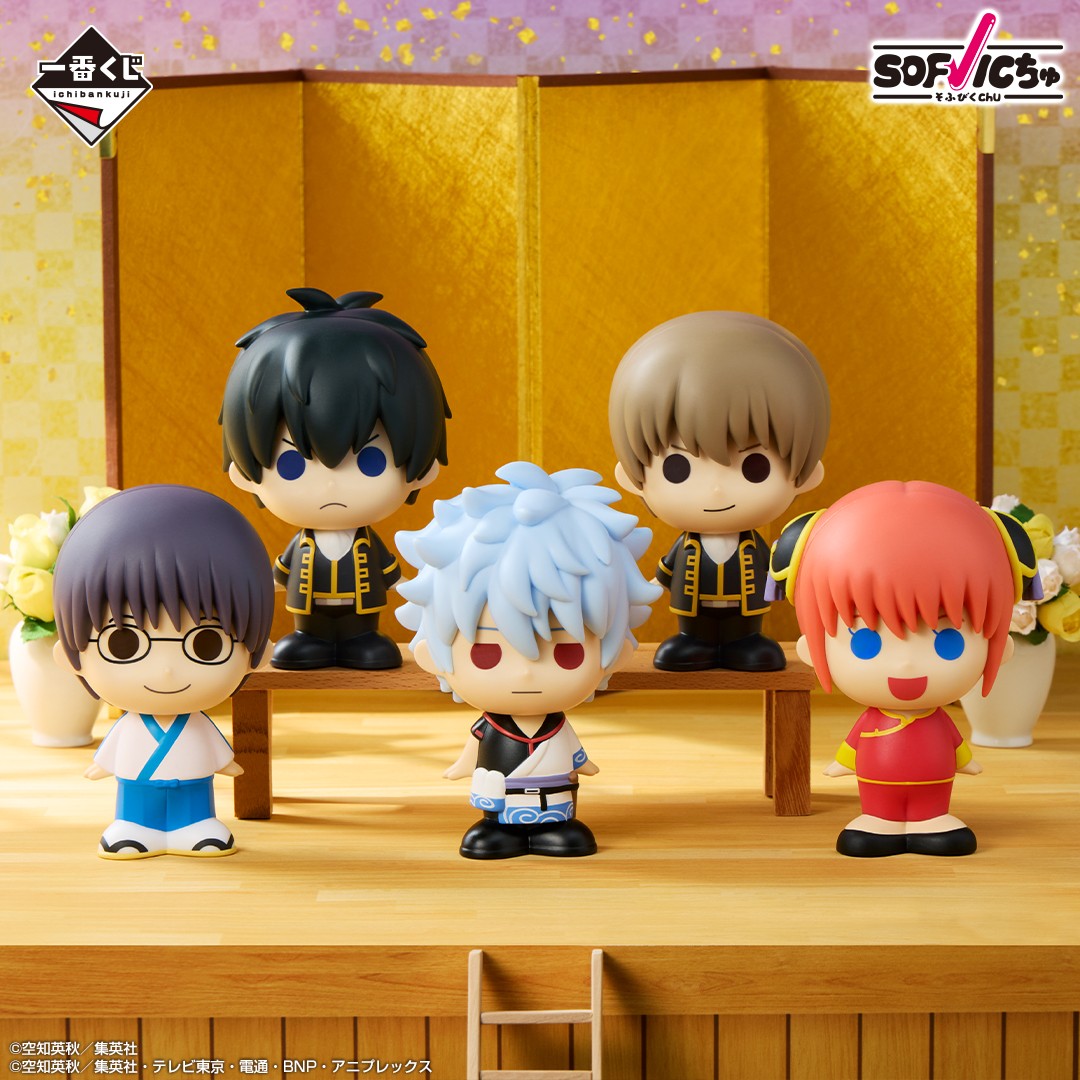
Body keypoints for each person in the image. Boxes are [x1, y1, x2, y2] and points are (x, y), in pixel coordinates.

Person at [395, 462, 661, 859]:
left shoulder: (556, 728)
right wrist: (464, 767)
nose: (524, 672)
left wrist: (584, 764)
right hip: (502, 801)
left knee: (561, 823)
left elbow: (576, 756)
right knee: (495, 826)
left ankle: (556, 828)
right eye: (487, 653)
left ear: (616, 654)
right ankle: (498, 829)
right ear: (432, 655)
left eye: (567, 652)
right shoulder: (489, 729)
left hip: (555, 800)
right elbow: (472, 753)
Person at [770, 480, 1038, 857]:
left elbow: (954, 745)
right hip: (878, 791)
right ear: (811, 650)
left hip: (934, 791)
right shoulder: (875, 719)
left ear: (1000, 646)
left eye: (948, 641)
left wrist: (966, 761)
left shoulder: (936, 720)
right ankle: (879, 817)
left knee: (934, 816)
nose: (907, 663)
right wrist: (841, 764)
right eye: (867, 642)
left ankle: (932, 818)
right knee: (875, 819)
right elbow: (854, 746)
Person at [221, 288, 451, 670]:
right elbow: (279, 575)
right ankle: (310, 638)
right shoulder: (302, 546)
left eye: (371, 461)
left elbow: (390, 574)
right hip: (309, 618)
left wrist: (415, 591)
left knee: (368, 645)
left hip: (362, 619)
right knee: (303, 644)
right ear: (244, 474)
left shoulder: (367, 544)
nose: (331, 484)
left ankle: (361, 640)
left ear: (422, 469)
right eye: (292, 464)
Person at [52, 485, 275, 859]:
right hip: (138, 791)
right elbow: (112, 751)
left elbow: (215, 751)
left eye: (206, 644)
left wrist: (227, 763)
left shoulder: (196, 725)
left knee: (195, 813)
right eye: (124, 643)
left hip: (193, 789)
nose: (167, 670)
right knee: (136, 815)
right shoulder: (132, 726)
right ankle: (134, 828)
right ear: (70, 656)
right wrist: (101, 766)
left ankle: (196, 827)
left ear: (258, 654)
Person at [608, 311, 830, 672]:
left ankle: (745, 641)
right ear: (632, 477)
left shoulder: (754, 547)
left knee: (750, 643)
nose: (715, 490)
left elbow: (775, 572)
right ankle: (694, 641)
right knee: (691, 639)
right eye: (677, 468)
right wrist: (642, 592)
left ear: (805, 473)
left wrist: (789, 588)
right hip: (694, 614)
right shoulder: (687, 547)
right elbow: (665, 572)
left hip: (746, 616)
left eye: (754, 467)